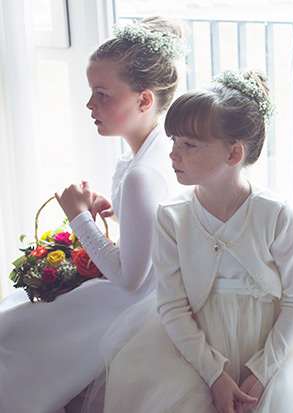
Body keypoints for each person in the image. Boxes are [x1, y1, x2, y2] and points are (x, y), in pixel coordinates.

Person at [98, 69, 293, 413]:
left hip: (271, 350)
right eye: (173, 140)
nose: (174, 154)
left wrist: (261, 373)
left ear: (233, 154)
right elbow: (172, 306)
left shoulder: (274, 214)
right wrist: (215, 375)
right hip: (194, 352)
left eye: (189, 145)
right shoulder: (172, 217)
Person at [0, 17, 186, 413]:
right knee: (17, 309)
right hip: (144, 290)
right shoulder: (158, 151)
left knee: (14, 331)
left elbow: (129, 280)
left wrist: (78, 218)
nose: (90, 105)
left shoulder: (140, 174)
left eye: (102, 94)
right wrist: (115, 214)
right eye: (91, 92)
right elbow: (156, 230)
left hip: (136, 304)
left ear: (144, 100)